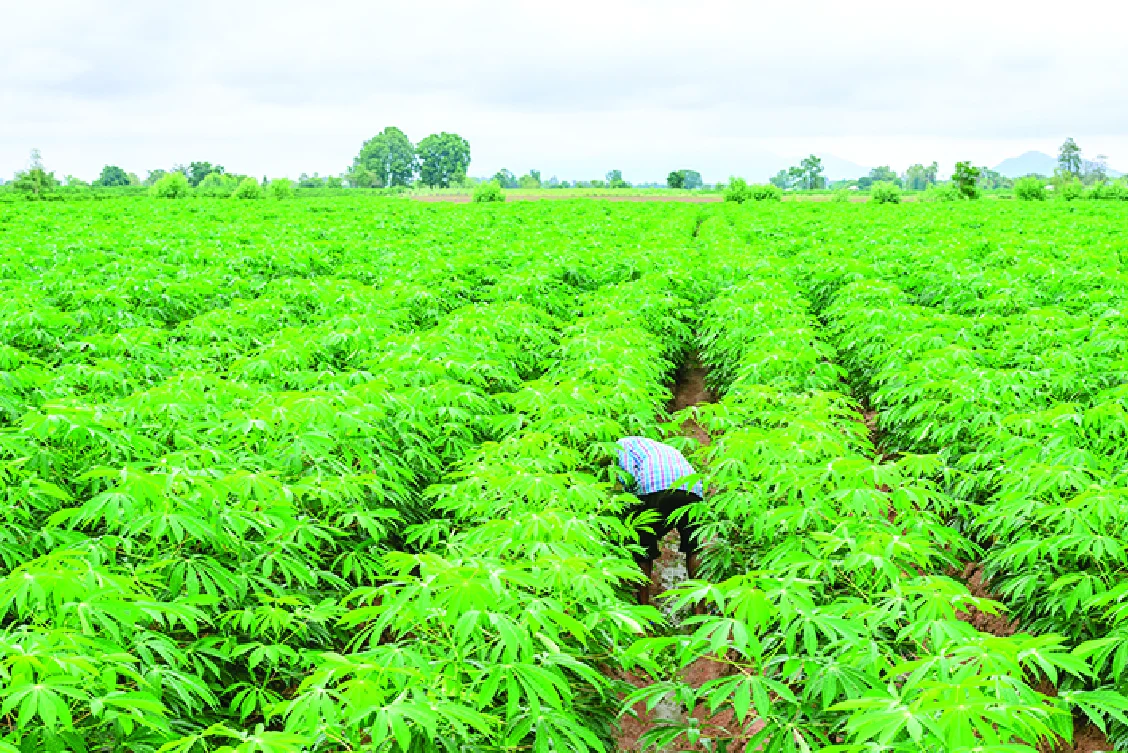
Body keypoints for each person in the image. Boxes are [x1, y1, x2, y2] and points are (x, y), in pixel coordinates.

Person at [615, 436, 703, 606]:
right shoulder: (665, 449)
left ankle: (643, 607)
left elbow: (628, 479)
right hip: (692, 489)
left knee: (643, 547)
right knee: (693, 547)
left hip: (654, 487)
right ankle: (700, 607)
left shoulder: (621, 444)